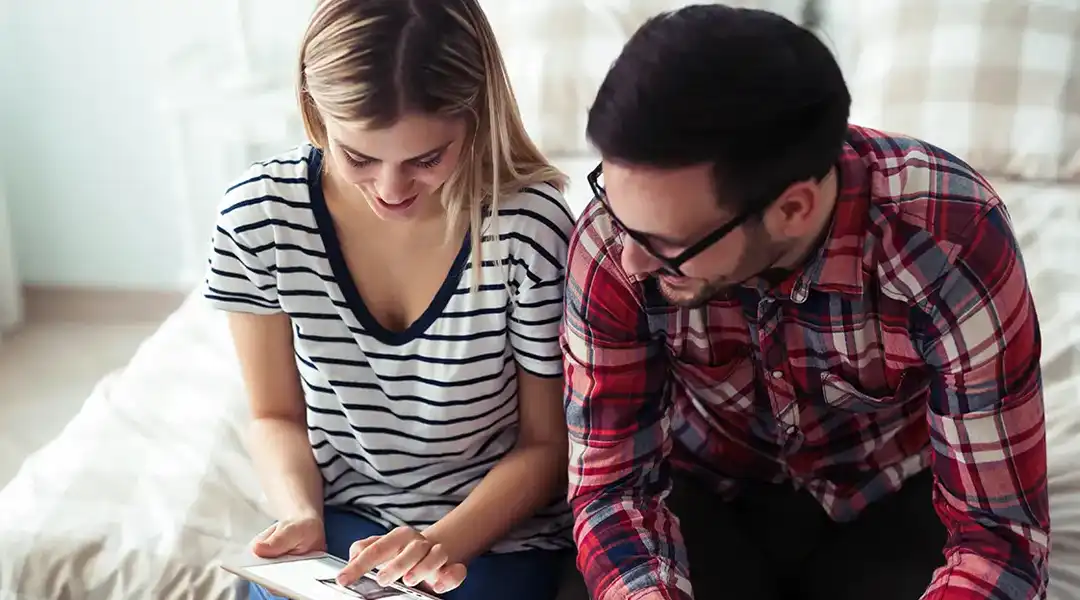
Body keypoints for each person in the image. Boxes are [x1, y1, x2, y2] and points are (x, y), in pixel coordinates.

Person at [561, 5, 1050, 600]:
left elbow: (995, 536)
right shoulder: (614, 240)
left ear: (792, 208)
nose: (631, 261)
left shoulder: (952, 239)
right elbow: (613, 487)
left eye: (668, 245)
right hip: (703, 494)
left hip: (895, 498)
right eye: (614, 206)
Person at [203, 1, 576, 599]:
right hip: (340, 519)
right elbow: (274, 415)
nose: (391, 189)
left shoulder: (529, 228)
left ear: (475, 115)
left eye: (426, 159)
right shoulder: (261, 217)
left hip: (494, 530)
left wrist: (441, 543)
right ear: (314, 112)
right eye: (360, 158)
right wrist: (301, 513)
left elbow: (546, 445)